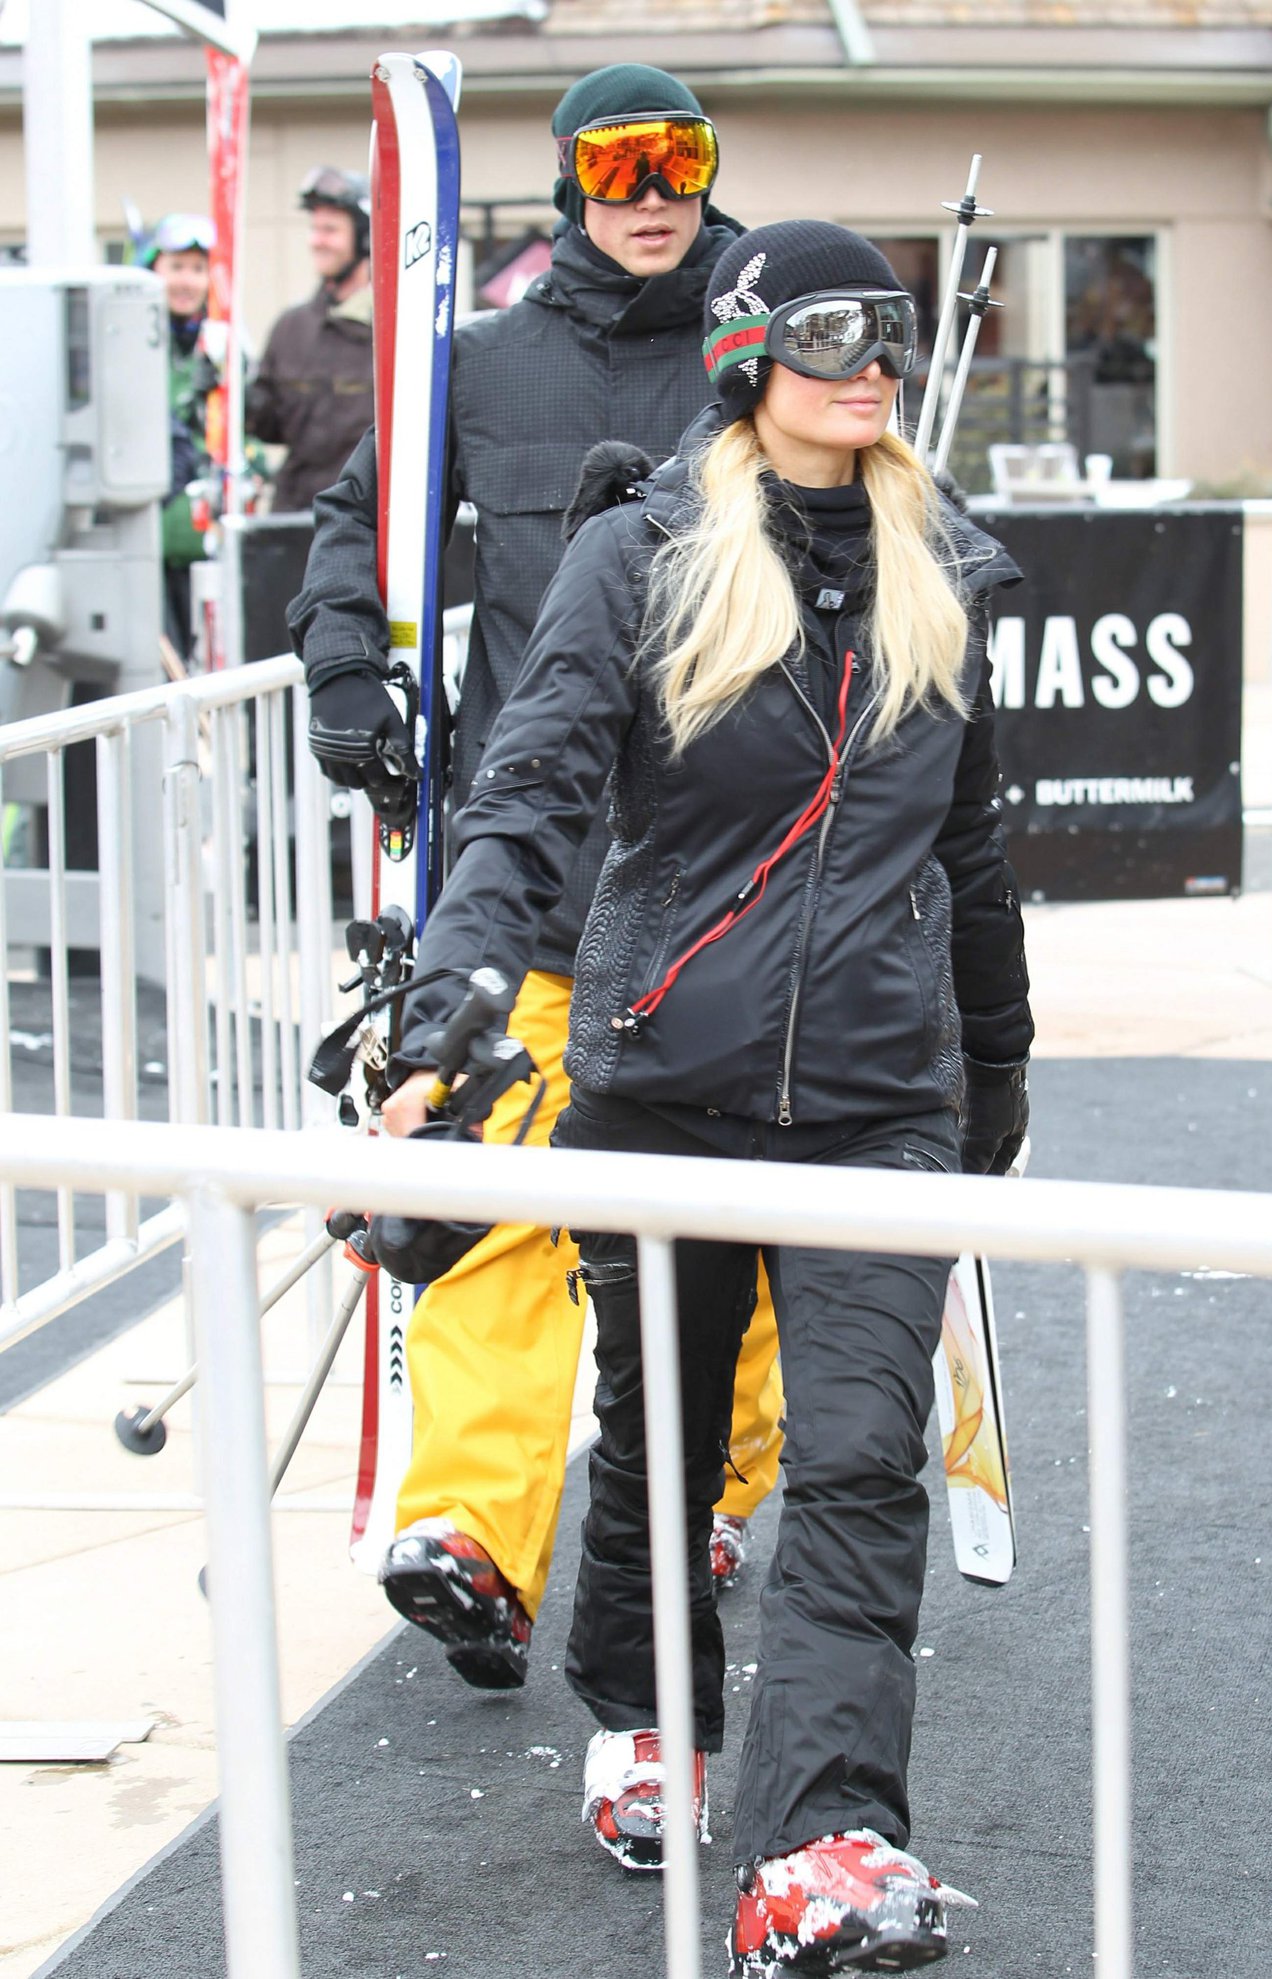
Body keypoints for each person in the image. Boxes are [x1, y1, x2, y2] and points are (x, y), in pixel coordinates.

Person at [388, 220, 1032, 1970]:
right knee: (661, 1437)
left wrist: (995, 1068)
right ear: (749, 357)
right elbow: (530, 785)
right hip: (664, 1081)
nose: (867, 359)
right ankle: (645, 1712)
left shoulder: (938, 567)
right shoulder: (643, 551)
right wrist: (451, 994)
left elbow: (970, 850)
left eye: (887, 328)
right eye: (826, 330)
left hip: (879, 1098)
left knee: (858, 1457)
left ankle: (821, 1837)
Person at [289, 65, 786, 1697]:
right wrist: (347, 672)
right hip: (538, 862)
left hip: (735, 868)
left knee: (736, 1211)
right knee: (493, 1186)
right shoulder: (482, 367)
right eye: (615, 163)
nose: (650, 192)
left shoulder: (768, 352)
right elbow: (354, 531)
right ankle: (471, 1535)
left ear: (708, 170)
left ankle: (720, 1483)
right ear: (571, 181)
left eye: (677, 158)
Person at [249, 167, 373, 515]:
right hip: (297, 518)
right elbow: (268, 426)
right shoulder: (292, 328)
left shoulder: (395, 332)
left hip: (365, 521)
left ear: (365, 237)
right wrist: (235, 395)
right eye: (314, 229)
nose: (317, 240)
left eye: (330, 230)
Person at [143, 213, 216, 660]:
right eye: (176, 267)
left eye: (197, 269)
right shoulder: (134, 343)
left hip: (204, 545)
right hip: (148, 543)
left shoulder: (222, 345)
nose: (186, 281)